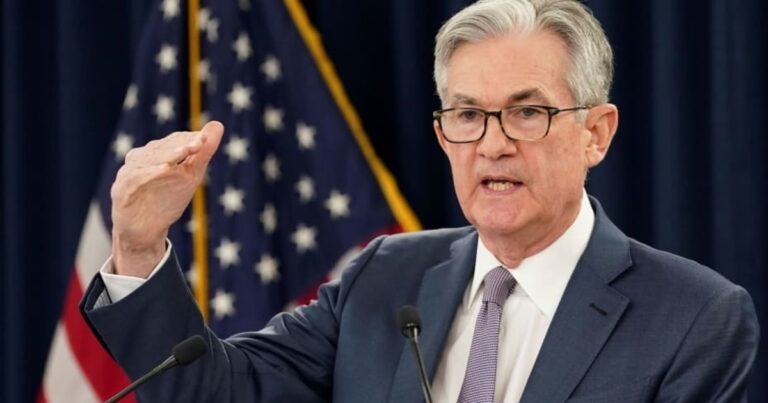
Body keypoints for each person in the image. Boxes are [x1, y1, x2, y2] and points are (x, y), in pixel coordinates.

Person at [81, 0, 759, 401]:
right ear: (442, 133)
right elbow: (215, 391)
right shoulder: (384, 277)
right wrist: (138, 246)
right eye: (467, 115)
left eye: (527, 113)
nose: (492, 144)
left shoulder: (694, 317)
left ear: (596, 134)